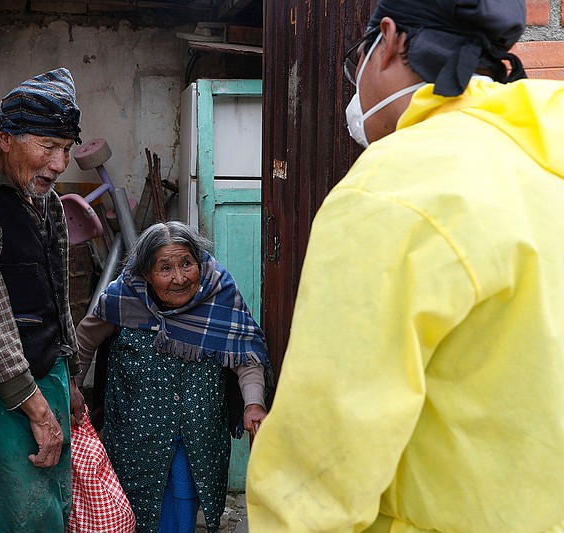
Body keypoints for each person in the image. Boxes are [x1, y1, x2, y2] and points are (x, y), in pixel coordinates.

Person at [247, 0, 564, 531]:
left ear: (388, 41)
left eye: (356, 62)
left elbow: (320, 468)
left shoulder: (391, 189)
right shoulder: (544, 165)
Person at [75, 221, 269, 533]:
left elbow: (245, 354)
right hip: (134, 436)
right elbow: (83, 343)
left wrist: (253, 404)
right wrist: (72, 389)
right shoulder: (123, 298)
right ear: (146, 273)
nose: (179, 278)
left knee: (182, 506)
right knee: (131, 507)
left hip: (197, 435)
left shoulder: (219, 294)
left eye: (187, 264)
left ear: (200, 262)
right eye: (165, 268)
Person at [0, 67, 87, 532]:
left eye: (67, 151)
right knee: (21, 513)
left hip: (48, 374)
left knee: (53, 506)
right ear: (6, 139)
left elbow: (60, 297)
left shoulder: (48, 202)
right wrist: (37, 410)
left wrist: (70, 378)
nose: (59, 165)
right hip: (6, 393)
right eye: (48, 148)